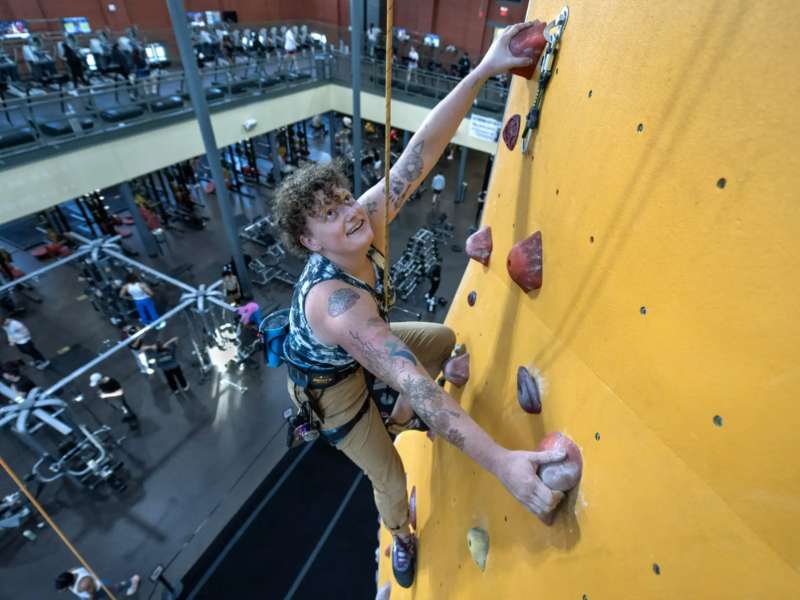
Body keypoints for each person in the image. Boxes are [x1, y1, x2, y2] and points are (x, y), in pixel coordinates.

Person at [272, 22, 563, 590]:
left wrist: (485, 67)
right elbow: (419, 385)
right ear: (310, 242)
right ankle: (402, 533)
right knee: (389, 472)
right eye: (328, 216)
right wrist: (504, 463)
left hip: (358, 353)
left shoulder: (366, 218)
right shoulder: (338, 305)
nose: (348, 214)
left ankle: (397, 417)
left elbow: (420, 152)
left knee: (446, 340)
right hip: (330, 390)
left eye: (342, 200)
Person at [55, 567, 140, 599]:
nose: (60, 591)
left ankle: (133, 581)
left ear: (68, 584)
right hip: (87, 592)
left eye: (62, 589)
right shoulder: (71, 571)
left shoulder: (83, 585)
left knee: (116, 588)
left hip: (99, 590)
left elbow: (93, 594)